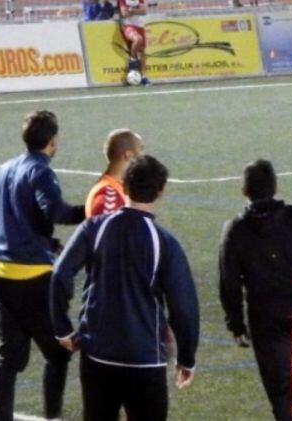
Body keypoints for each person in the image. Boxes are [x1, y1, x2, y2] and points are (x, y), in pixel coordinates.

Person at [50, 155, 199, 421]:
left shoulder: (95, 228)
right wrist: (186, 358)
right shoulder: (163, 241)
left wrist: (62, 328)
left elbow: (60, 273)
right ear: (161, 191)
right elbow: (183, 307)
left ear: (124, 186)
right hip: (145, 360)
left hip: (97, 355)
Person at [219, 159, 292, 421]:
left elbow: (229, 283)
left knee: (282, 393)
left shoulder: (236, 230)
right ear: (275, 187)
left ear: (244, 190)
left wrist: (236, 325)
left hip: (267, 321)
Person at [0, 110, 85, 421]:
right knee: (58, 354)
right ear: (52, 141)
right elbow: (56, 212)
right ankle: (52, 417)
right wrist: (90, 210)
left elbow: (5, 216)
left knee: (9, 360)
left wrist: (47, 242)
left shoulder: (5, 169)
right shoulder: (41, 171)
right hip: (32, 280)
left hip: (0, 273)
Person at [85, 128, 143, 218]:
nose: (142, 157)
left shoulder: (116, 186)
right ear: (129, 155)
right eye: (140, 149)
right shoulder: (109, 195)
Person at [118, 0, 150, 85]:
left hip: (140, 26)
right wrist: (137, 11)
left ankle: (144, 77)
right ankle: (132, 61)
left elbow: (144, 11)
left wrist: (132, 10)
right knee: (137, 39)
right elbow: (124, 14)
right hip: (128, 26)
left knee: (142, 52)